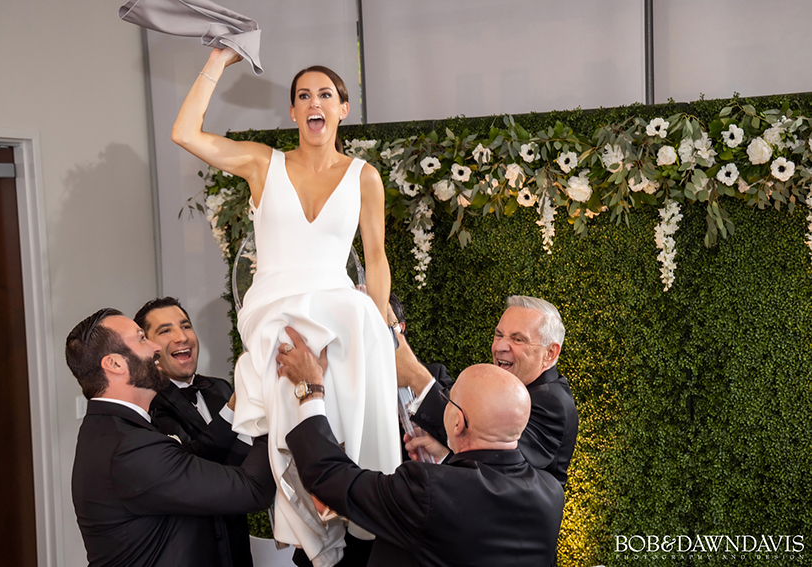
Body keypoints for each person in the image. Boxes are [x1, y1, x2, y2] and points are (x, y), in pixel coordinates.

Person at [172, 48, 400, 567]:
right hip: (275, 308)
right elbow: (185, 133)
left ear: (342, 108)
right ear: (293, 112)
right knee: (294, 420)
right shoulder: (262, 163)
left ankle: (357, 519)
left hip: (343, 311)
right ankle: (311, 528)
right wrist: (218, 60)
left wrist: (381, 330)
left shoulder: (364, 176)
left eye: (325, 94)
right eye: (303, 96)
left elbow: (376, 259)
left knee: (351, 416)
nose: (314, 102)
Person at [277, 326, 565, 567]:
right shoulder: (551, 492)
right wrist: (446, 459)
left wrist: (310, 389)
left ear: (457, 423)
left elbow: (328, 476)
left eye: (449, 400)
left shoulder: (428, 488)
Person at [66, 308, 275, 567]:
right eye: (142, 339)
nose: (155, 347)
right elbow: (253, 490)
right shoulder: (130, 446)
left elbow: (201, 471)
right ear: (115, 364)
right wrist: (270, 403)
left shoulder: (112, 428)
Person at [402, 295, 579, 487]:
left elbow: (501, 466)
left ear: (550, 353)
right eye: (499, 335)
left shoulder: (551, 402)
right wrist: (443, 456)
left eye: (518, 339)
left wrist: (418, 378)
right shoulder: (514, 384)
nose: (500, 347)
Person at [135, 297, 254, 566]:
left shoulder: (220, 387)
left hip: (237, 545)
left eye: (186, 326)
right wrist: (235, 406)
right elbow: (193, 465)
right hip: (193, 551)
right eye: (165, 330)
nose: (182, 337)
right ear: (149, 348)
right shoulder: (150, 404)